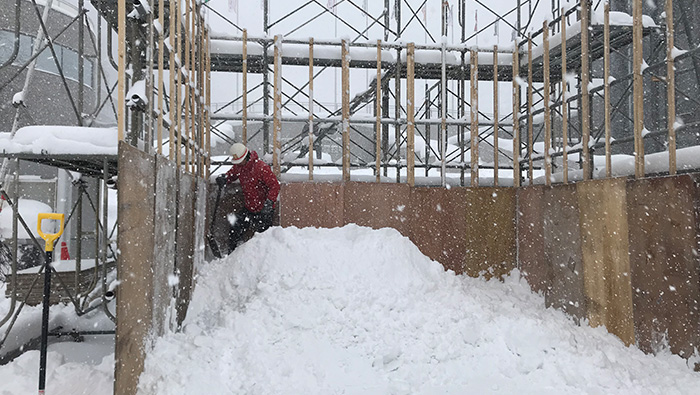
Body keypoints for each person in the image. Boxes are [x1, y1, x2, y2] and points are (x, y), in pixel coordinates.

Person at [216, 143, 280, 252]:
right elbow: (232, 174)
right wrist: (225, 178)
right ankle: (232, 255)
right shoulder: (240, 167)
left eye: (239, 162)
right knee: (235, 227)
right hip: (249, 208)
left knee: (263, 239)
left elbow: (275, 185)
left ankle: (263, 260)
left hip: (264, 210)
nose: (237, 164)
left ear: (245, 157)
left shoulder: (261, 168)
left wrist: (269, 201)